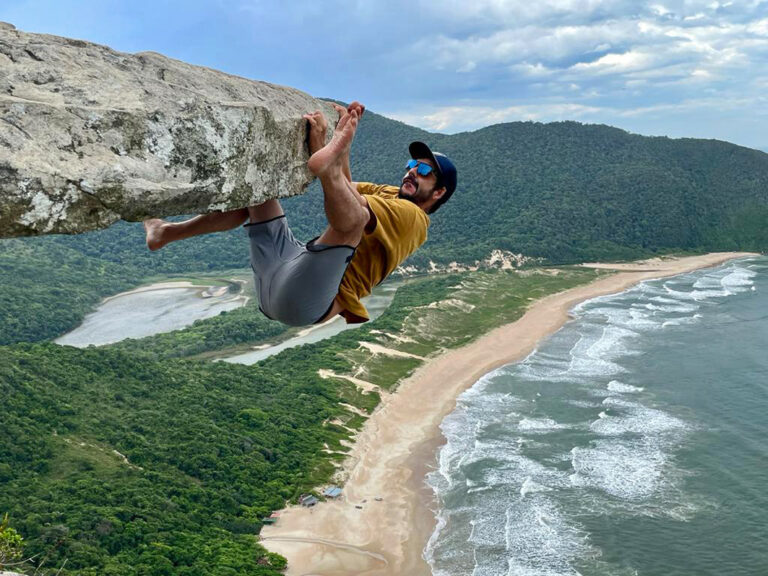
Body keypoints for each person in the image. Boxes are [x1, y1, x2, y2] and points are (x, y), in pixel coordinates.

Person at [143, 101, 458, 327]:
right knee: (258, 192)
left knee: (356, 222)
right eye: (411, 166)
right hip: (284, 271)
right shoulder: (391, 193)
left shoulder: (414, 219)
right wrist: (333, 144)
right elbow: (346, 189)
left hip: (307, 299)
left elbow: (352, 208)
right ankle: (164, 233)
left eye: (425, 169)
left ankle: (325, 164)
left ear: (439, 192)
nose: (412, 171)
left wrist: (332, 153)